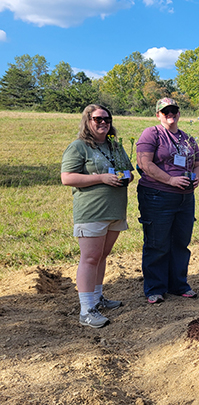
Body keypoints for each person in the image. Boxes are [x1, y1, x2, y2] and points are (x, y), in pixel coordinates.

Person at [61, 104, 133, 328]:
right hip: (92, 211)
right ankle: (86, 310)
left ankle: (97, 297)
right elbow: (67, 178)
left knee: (102, 256)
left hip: (114, 210)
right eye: (97, 119)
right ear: (87, 121)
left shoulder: (115, 146)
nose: (103, 123)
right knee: (90, 258)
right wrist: (101, 178)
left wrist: (126, 178)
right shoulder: (79, 147)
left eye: (107, 119)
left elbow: (129, 171)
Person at [136, 98, 199, 303]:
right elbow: (144, 163)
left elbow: (198, 163)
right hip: (157, 195)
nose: (170, 114)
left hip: (184, 198)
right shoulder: (152, 133)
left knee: (181, 242)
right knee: (157, 243)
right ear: (158, 115)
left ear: (179, 113)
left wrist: (197, 178)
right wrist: (171, 180)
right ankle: (155, 288)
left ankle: (178, 284)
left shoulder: (188, 139)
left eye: (174, 111)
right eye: (165, 112)